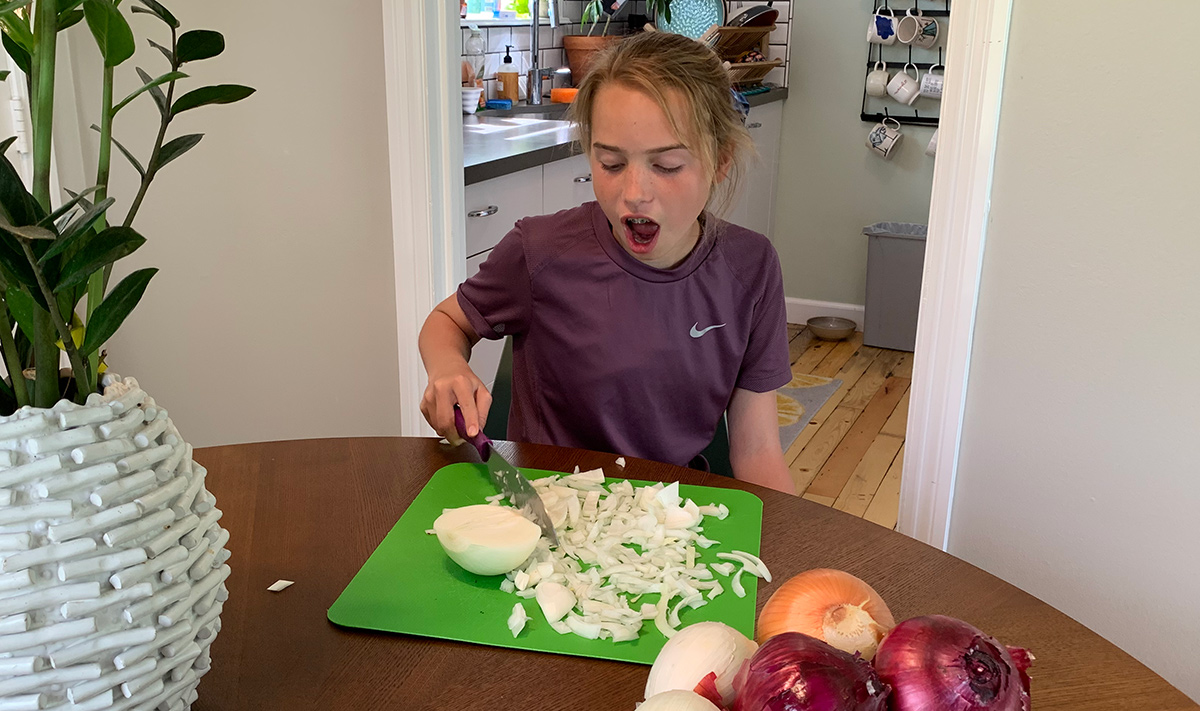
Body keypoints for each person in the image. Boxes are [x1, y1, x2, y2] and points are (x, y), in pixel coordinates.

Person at [419, 31, 795, 494]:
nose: (634, 192)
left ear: (720, 161)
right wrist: (446, 368)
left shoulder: (751, 268)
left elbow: (757, 450)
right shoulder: (539, 250)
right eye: (612, 164)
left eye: (668, 166)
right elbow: (446, 321)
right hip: (550, 506)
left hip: (672, 521)